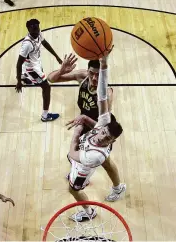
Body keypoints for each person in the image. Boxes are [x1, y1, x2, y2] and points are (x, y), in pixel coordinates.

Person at [47, 54, 123, 202]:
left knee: (105, 162)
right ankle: (83, 176)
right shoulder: (82, 76)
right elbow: (51, 78)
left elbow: (102, 124)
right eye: (91, 73)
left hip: (101, 128)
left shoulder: (106, 93)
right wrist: (62, 70)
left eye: (98, 75)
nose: (94, 78)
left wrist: (84, 120)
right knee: (79, 153)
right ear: (87, 71)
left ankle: (118, 188)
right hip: (85, 122)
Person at [64, 53, 126, 222]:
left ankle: (88, 212)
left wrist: (77, 132)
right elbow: (102, 94)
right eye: (103, 133)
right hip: (87, 140)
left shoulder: (94, 155)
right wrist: (104, 63)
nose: (101, 136)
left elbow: (72, 154)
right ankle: (119, 187)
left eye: (106, 137)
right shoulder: (103, 123)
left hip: (84, 162)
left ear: (111, 142)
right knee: (100, 159)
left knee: (73, 189)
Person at [15, 19, 62, 122]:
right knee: (46, 87)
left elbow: (45, 43)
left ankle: (24, 76)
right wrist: (18, 82)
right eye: (34, 28)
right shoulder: (27, 44)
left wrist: (56, 56)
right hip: (31, 68)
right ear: (28, 29)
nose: (36, 31)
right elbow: (18, 64)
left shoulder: (38, 33)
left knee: (39, 79)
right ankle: (45, 116)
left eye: (37, 28)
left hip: (36, 63)